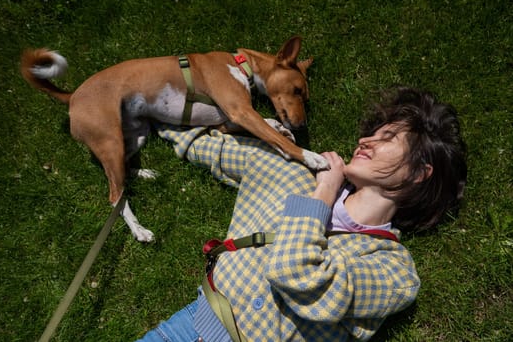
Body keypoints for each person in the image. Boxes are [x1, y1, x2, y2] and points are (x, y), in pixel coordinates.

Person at [137, 87, 467, 341]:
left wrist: (323, 193)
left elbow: (295, 274)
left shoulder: (393, 270)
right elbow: (204, 144)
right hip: (183, 329)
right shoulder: (288, 171)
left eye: (389, 138)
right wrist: (140, 108)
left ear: (419, 173)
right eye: (372, 133)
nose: (365, 141)